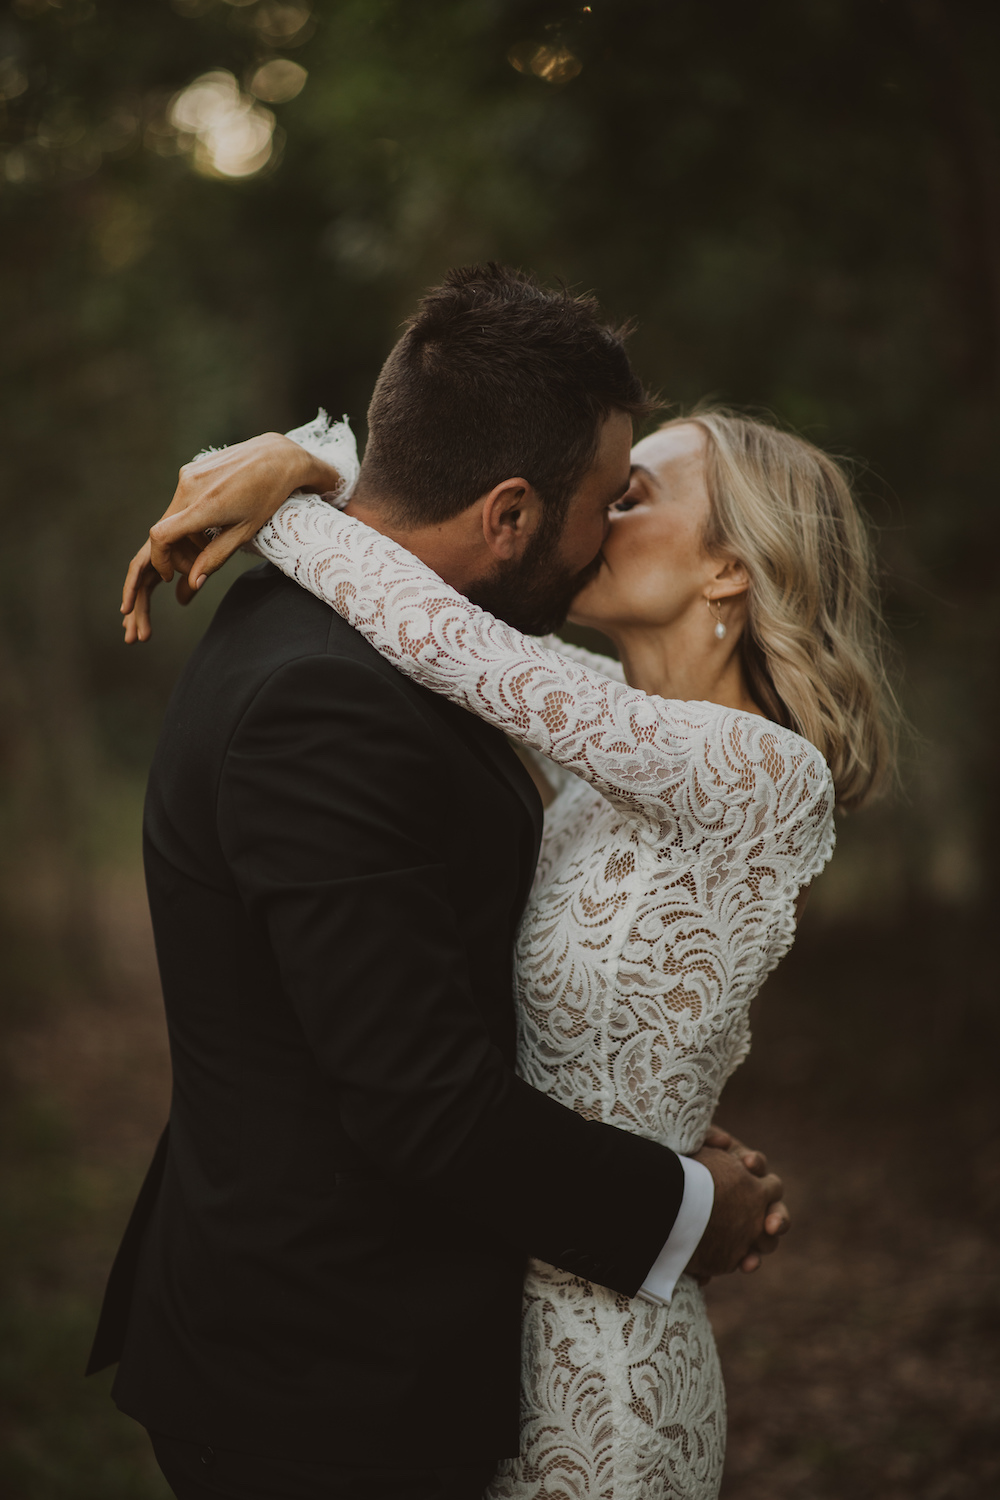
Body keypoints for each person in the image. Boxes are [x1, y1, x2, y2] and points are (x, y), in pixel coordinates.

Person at [96, 265, 790, 1500]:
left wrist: (297, 470)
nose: (604, 535)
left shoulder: (351, 643)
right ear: (511, 514)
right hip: (323, 1395)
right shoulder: (331, 700)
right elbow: (425, 1107)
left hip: (410, 1356)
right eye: (603, 499)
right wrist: (686, 1205)